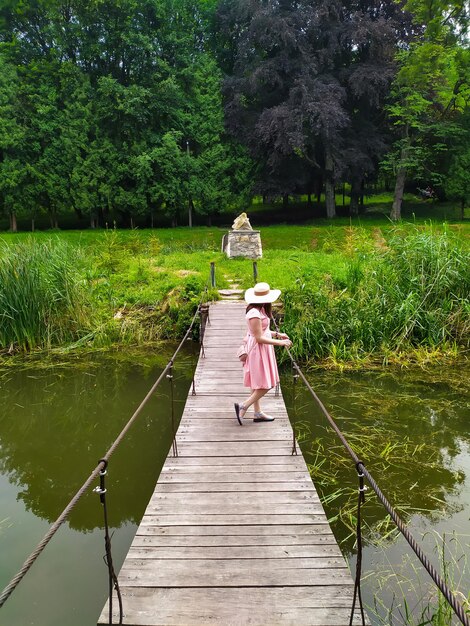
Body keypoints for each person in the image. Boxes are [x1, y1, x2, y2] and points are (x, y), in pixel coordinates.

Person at [234, 282, 292, 425]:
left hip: (262, 350)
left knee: (257, 383)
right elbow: (259, 337)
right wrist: (281, 343)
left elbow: (262, 331)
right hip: (257, 351)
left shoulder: (258, 310)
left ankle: (258, 412)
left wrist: (278, 334)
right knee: (266, 384)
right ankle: (243, 406)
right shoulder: (254, 313)